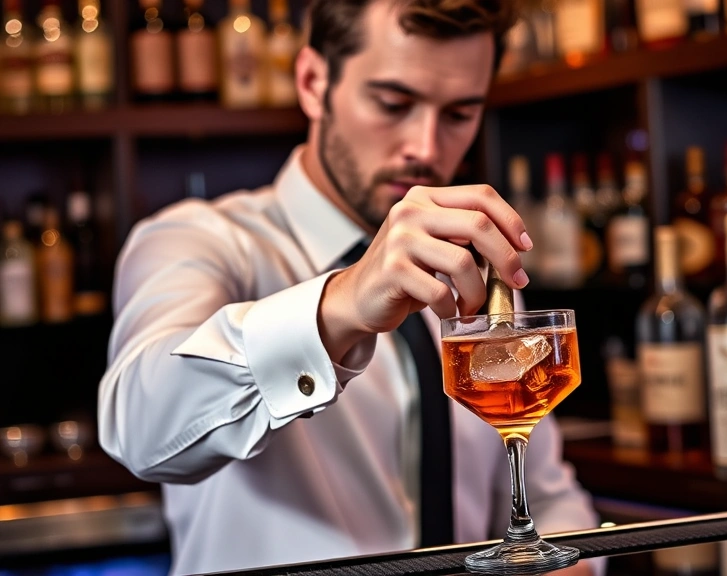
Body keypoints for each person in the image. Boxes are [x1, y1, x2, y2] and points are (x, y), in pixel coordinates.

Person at [97, 0, 600, 574]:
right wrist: (343, 303)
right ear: (314, 83)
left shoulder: (478, 265)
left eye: (460, 113)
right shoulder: (197, 239)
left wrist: (571, 563)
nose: (426, 147)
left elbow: (546, 492)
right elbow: (140, 429)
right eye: (393, 103)